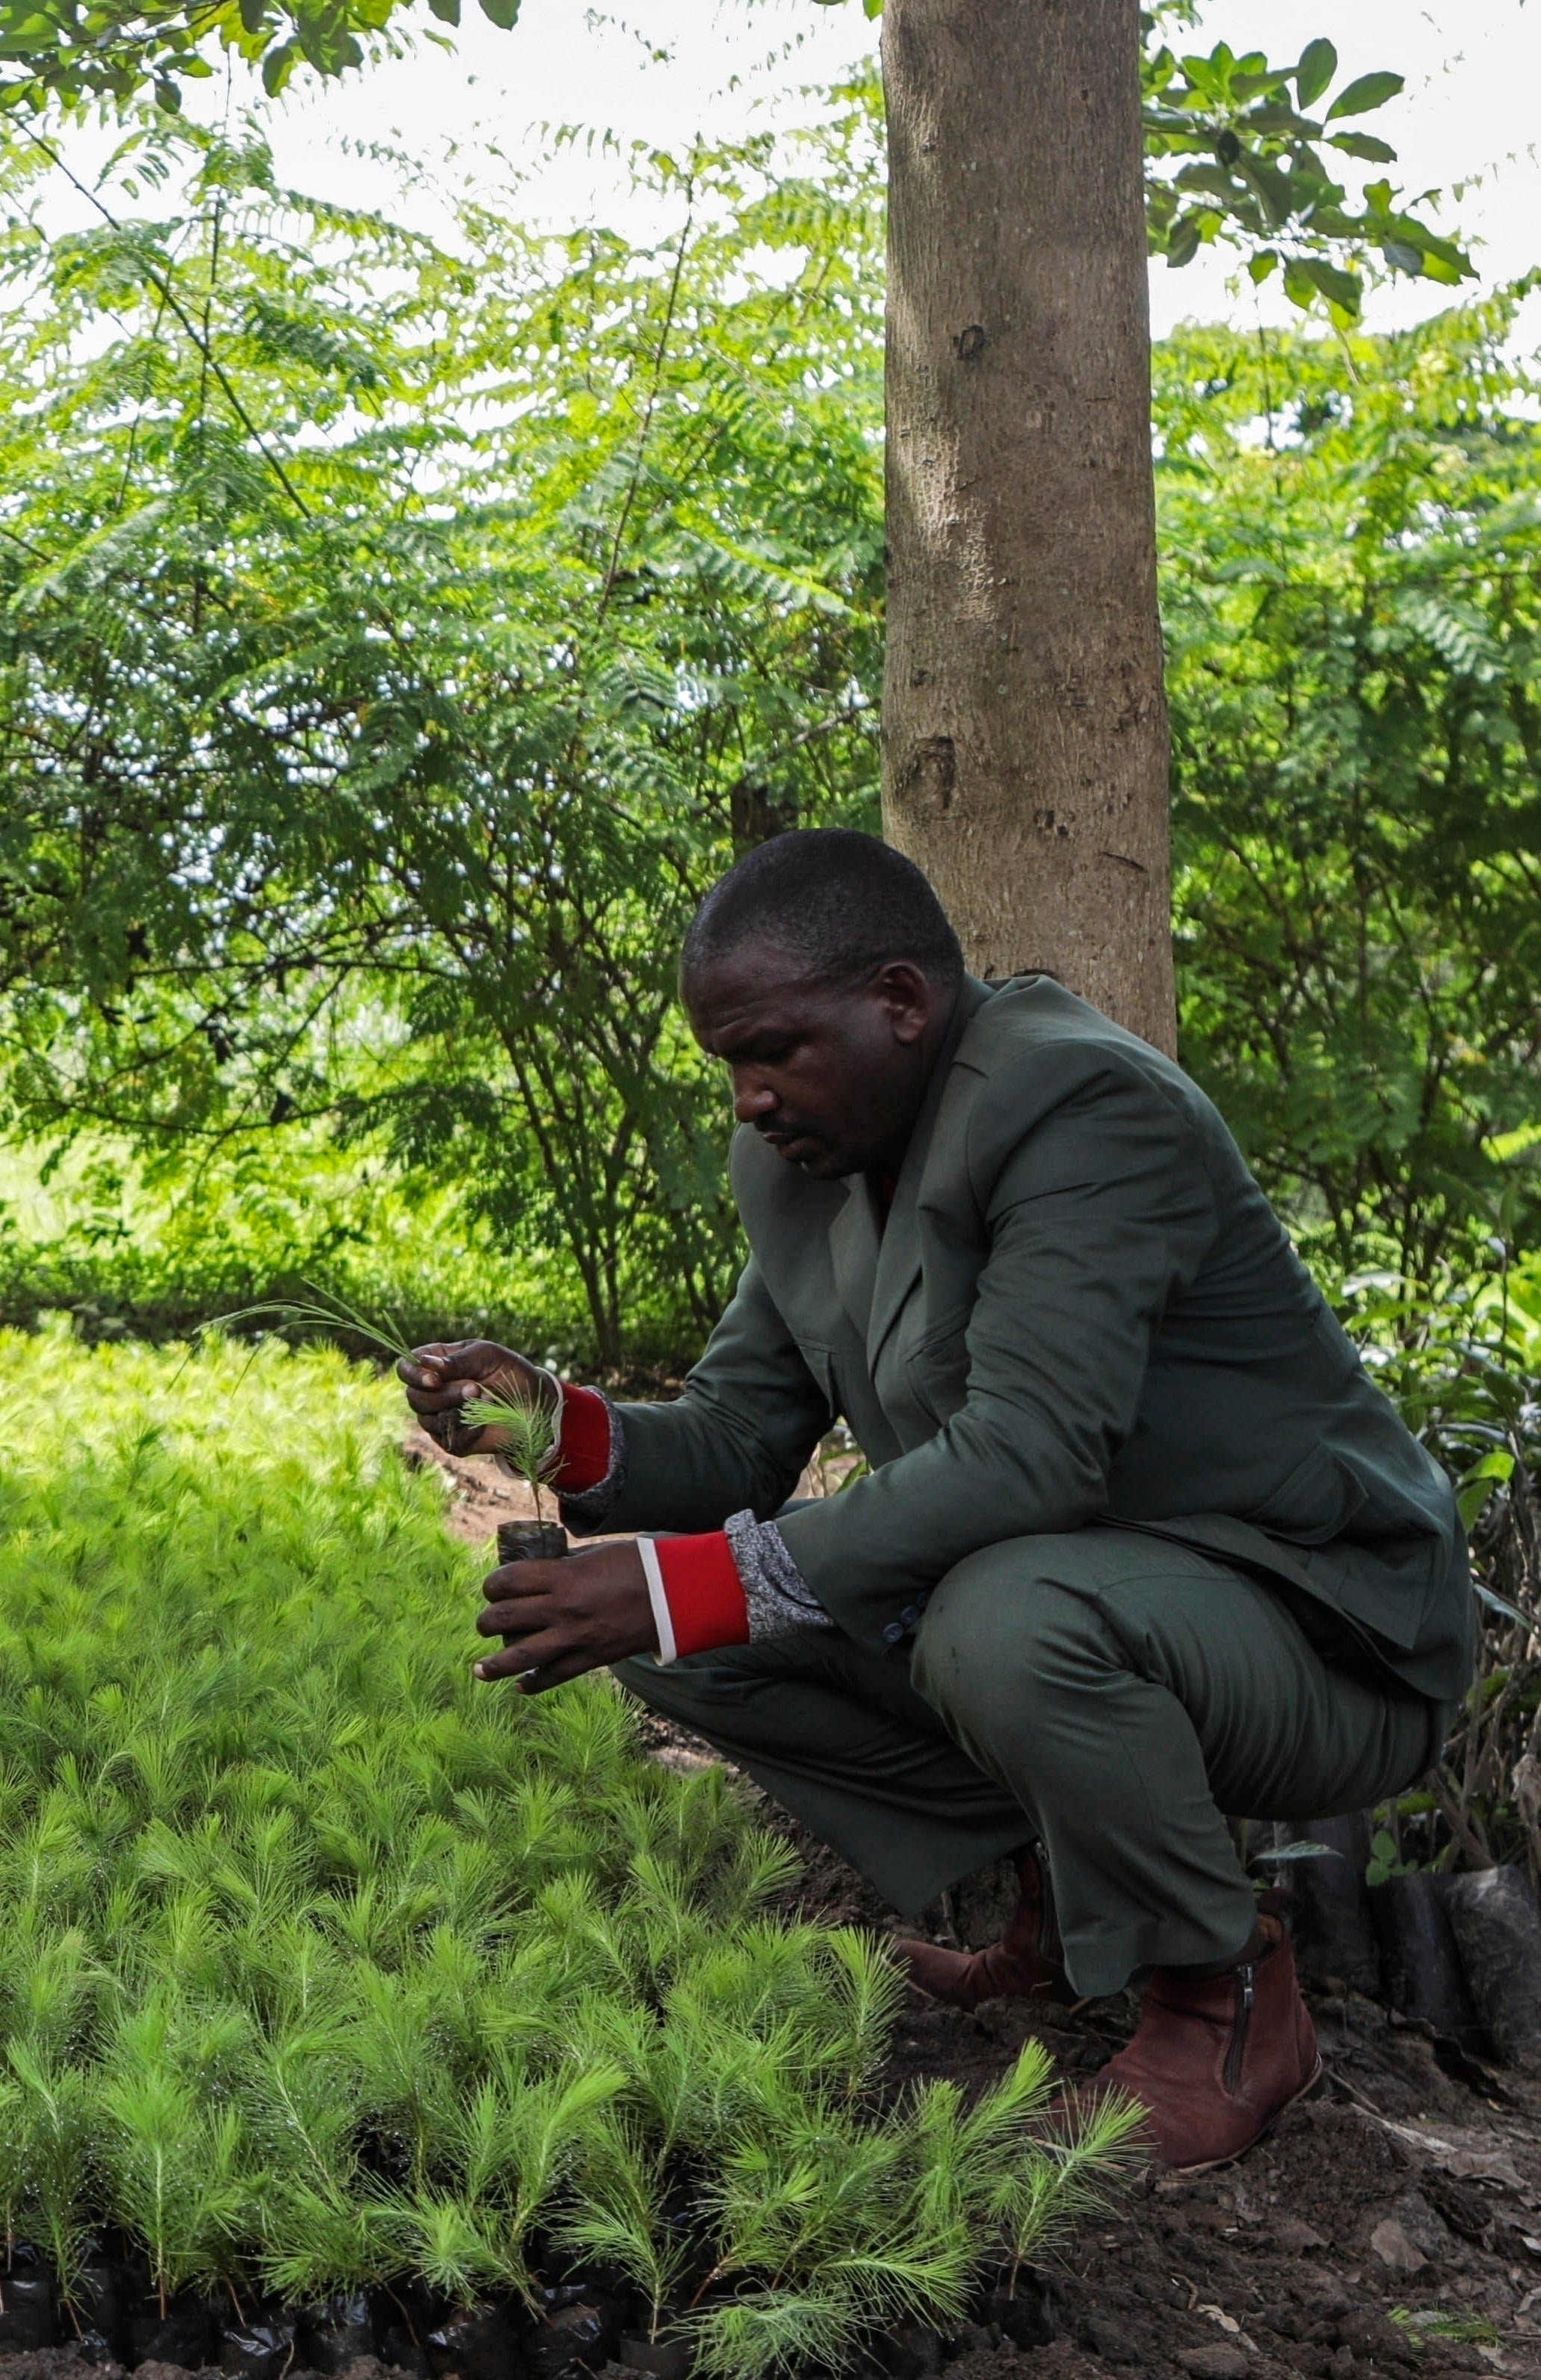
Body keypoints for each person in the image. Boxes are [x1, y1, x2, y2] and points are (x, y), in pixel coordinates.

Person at [404, 829, 1477, 2166]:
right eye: (725, 1063)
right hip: (1080, 1595)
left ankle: (1223, 1998)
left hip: (1318, 1632)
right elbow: (742, 1437)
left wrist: (685, 1585)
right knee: (696, 1648)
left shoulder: (1078, 1105)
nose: (744, 1098)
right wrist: (551, 1423)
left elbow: (1034, 1457)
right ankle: (1063, 1906)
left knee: (978, 1616)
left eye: (771, 1050)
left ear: (899, 1003)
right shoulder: (805, 1161)